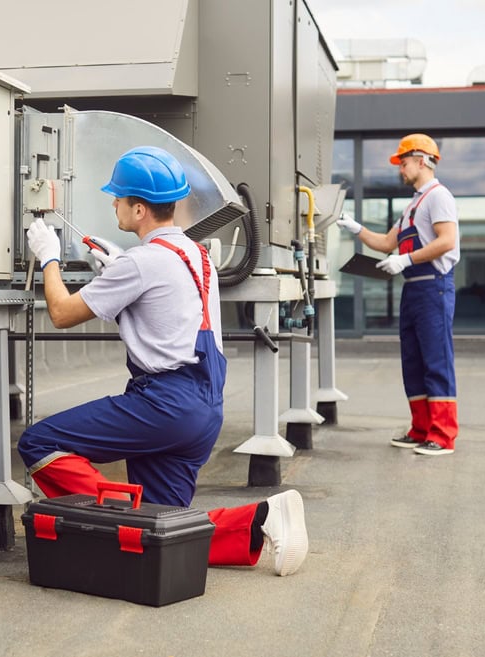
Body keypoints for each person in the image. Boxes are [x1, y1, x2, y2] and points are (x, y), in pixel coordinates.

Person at [20, 145, 308, 575]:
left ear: (139, 210)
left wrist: (49, 258)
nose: (112, 203)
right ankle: (261, 519)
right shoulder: (198, 255)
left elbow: (61, 313)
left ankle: (105, 516)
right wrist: (116, 266)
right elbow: (165, 303)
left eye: (117, 198)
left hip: (164, 403)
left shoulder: (139, 263)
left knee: (38, 443)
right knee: (162, 534)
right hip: (203, 405)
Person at [336, 134, 460, 456]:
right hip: (414, 290)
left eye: (403, 163)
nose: (400, 170)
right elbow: (386, 244)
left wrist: (405, 259)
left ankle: (443, 435)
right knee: (413, 364)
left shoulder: (438, 196)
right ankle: (421, 430)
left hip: (434, 285)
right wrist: (355, 228)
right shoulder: (412, 206)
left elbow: (447, 241)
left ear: (422, 161)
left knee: (437, 362)